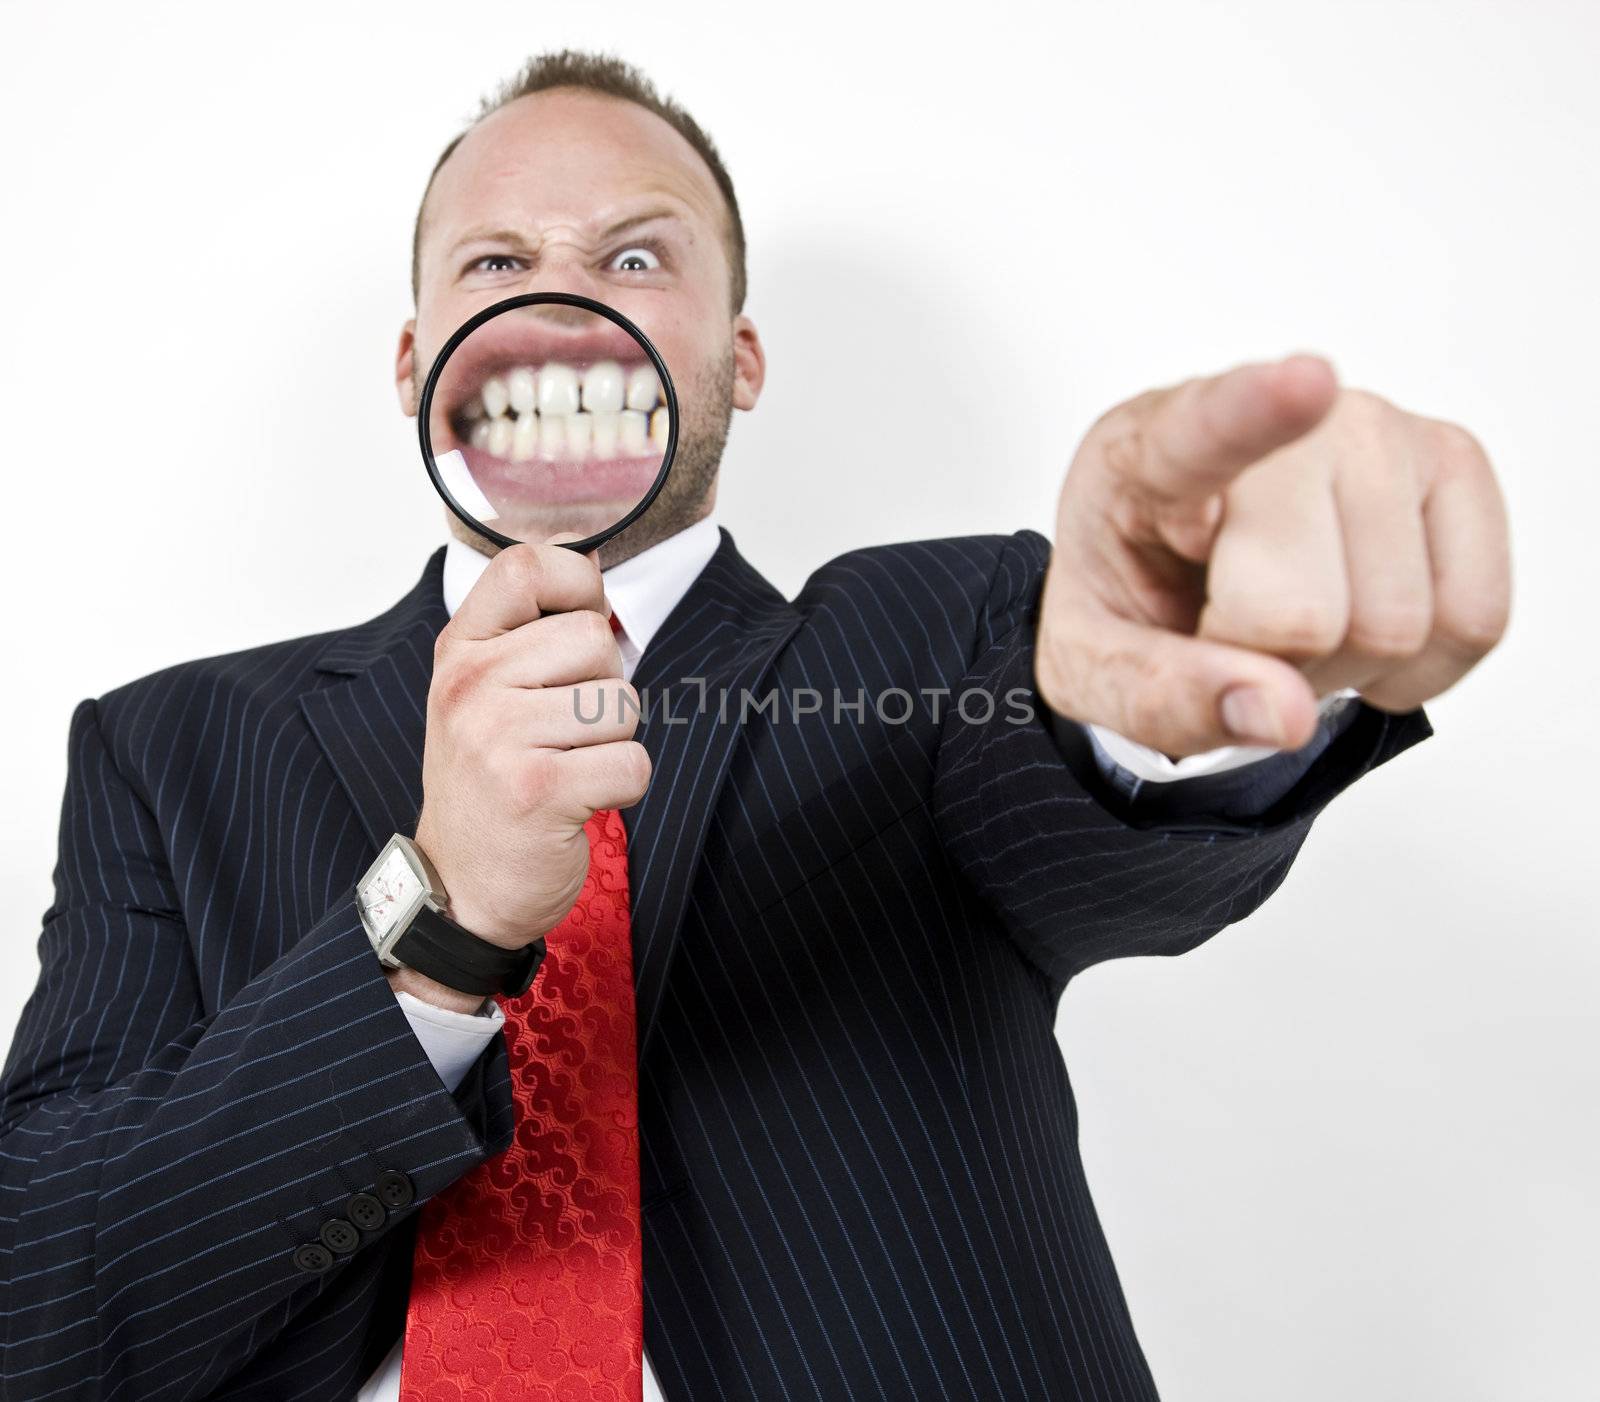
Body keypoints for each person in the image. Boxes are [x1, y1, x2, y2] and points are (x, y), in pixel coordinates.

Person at [0, 48, 1509, 1402]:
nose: (567, 299)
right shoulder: (169, 749)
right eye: (498, 258)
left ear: (741, 357)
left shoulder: (937, 647)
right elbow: (44, 1315)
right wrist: (435, 925)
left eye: (638, 254)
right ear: (414, 363)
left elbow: (1088, 802)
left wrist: (1201, 673)